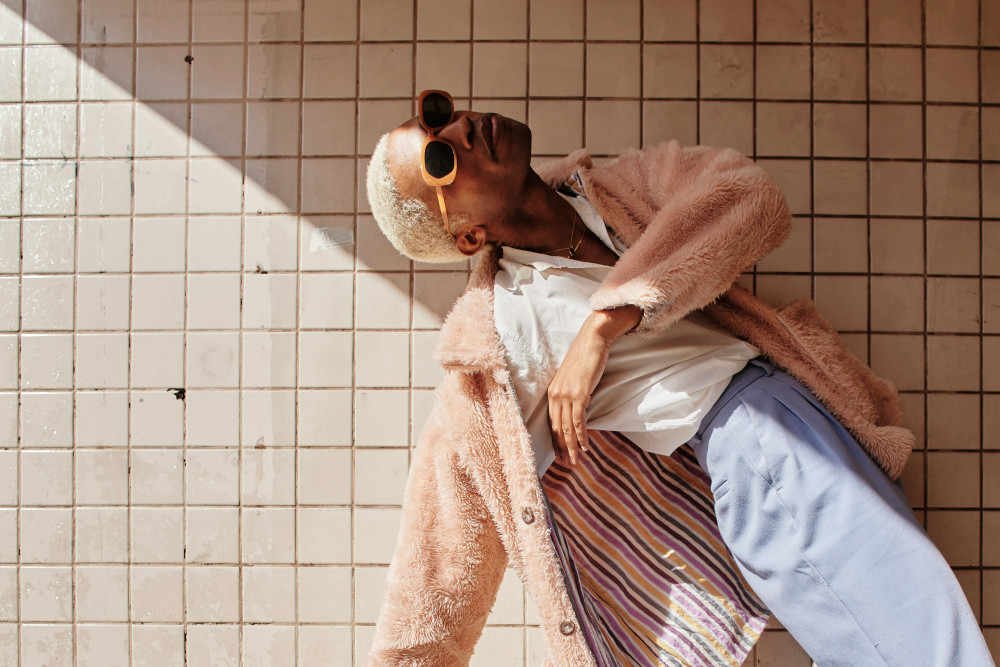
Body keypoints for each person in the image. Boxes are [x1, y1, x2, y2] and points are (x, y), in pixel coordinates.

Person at [363, 90, 994, 666]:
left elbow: (750, 199)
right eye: (442, 159)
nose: (463, 128)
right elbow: (437, 563)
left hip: (798, 425)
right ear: (468, 236)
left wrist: (603, 326)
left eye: (439, 115)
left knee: (901, 635)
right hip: (758, 449)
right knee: (920, 647)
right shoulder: (500, 336)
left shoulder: (617, 188)